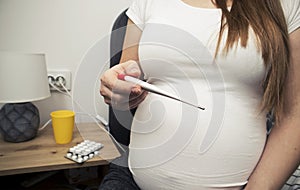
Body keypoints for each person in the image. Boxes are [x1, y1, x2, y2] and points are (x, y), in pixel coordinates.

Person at [99, 0, 300, 189]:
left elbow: (295, 114)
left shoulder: (285, 5)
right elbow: (125, 79)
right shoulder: (148, 2)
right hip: (133, 182)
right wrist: (117, 87)